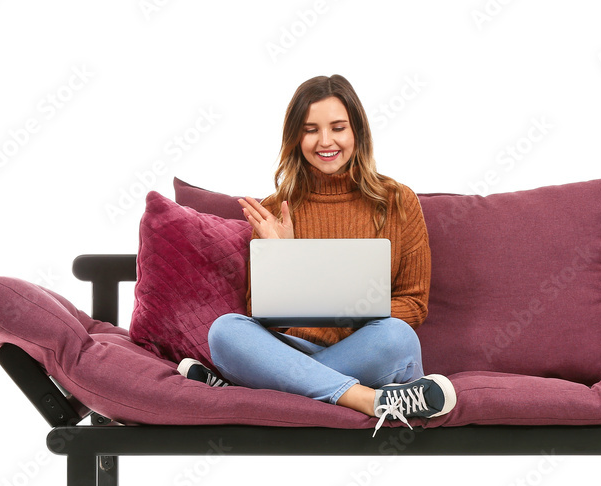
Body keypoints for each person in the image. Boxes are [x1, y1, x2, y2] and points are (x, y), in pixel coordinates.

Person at [178, 74, 455, 435]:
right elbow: (261, 319)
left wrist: (347, 317)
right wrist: (281, 258)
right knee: (225, 332)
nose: (326, 141)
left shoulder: (398, 201)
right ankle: (369, 400)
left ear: (358, 132)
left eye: (338, 127)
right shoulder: (276, 208)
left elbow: (414, 303)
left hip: (361, 351)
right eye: (311, 130)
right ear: (296, 137)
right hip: (292, 348)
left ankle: (256, 388)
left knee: (397, 337)